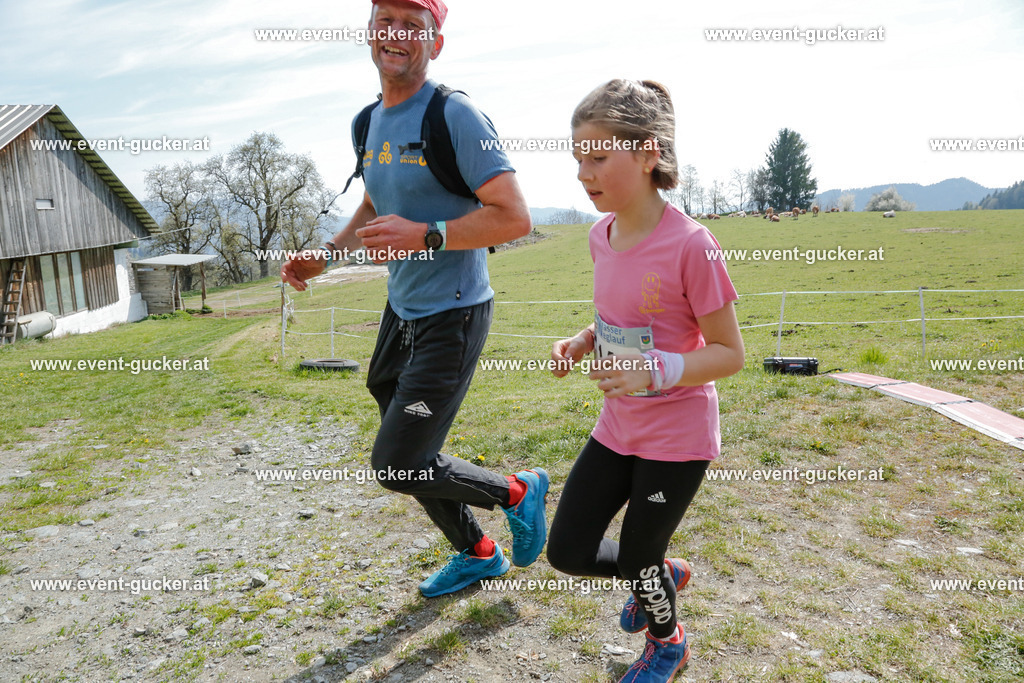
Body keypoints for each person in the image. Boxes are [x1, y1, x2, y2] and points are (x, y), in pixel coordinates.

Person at [281, 0, 547, 598]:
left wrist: (428, 235)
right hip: (400, 314)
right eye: (385, 20)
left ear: (436, 43)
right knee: (414, 454)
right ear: (368, 34)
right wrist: (326, 255)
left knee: (398, 463)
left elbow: (515, 217)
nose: (395, 33)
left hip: (453, 314)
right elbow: (376, 206)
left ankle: (519, 492)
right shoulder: (366, 122)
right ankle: (478, 553)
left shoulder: (455, 116)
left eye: (412, 24)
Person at [545, 79, 745, 682]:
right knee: (568, 551)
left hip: (677, 439)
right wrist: (583, 340)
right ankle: (659, 573)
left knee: (637, 555)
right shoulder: (598, 236)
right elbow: (623, 317)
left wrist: (654, 370)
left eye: (599, 156)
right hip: (617, 427)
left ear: (649, 152)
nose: (585, 172)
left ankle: (669, 641)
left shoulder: (693, 246)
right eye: (578, 157)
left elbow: (730, 354)